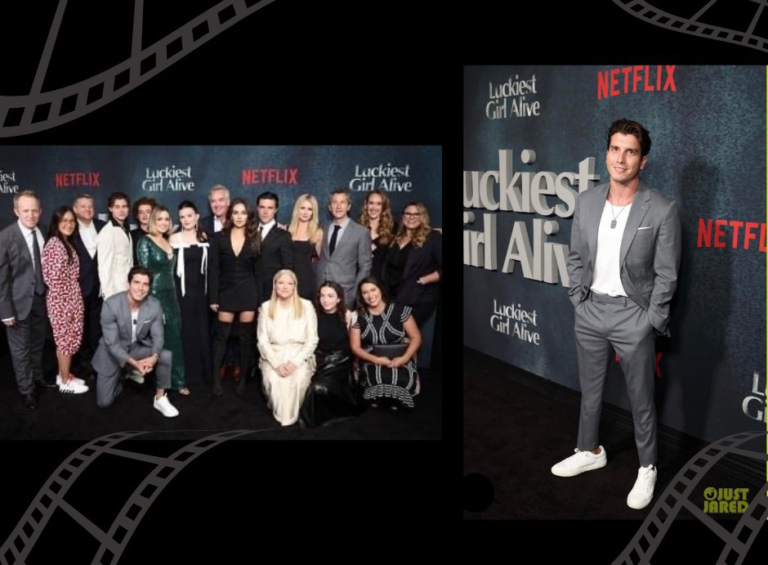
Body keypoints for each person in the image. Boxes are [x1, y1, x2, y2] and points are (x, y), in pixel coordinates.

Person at [552, 119, 681, 511]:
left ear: (643, 159)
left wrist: (650, 320)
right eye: (614, 149)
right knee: (589, 394)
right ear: (605, 152)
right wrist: (578, 299)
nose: (620, 158)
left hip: (633, 316)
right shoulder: (587, 201)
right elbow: (575, 257)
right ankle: (589, 450)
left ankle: (647, 467)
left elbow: (667, 274)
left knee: (641, 400)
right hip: (590, 310)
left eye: (630, 151)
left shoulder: (662, 208)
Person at [92, 266, 179, 417]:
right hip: (111, 355)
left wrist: (153, 358)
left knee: (165, 355)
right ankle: (124, 374)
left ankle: (160, 398)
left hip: (135, 348)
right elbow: (112, 344)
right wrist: (136, 364)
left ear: (149, 287)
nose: (140, 288)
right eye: (136, 282)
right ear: (128, 284)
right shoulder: (111, 305)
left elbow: (158, 336)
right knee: (104, 403)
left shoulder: (154, 305)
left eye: (145, 284)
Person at [0, 191, 55, 410]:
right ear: (16, 211)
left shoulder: (41, 232)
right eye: (25, 211)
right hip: (17, 305)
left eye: (34, 210)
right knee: (19, 350)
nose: (30, 215)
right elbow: (1, 279)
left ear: (40, 212)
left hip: (40, 299)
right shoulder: (5, 237)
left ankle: (37, 377)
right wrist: (5, 311)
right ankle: (27, 390)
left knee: (37, 343)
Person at [209, 198, 260, 396]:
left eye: (243, 212)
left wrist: (259, 300)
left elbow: (258, 271)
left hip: (248, 291)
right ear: (231, 215)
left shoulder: (255, 237)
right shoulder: (220, 237)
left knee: (246, 338)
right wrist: (214, 297)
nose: (239, 216)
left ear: (248, 216)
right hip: (226, 291)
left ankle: (242, 380)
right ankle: (216, 380)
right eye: (236, 212)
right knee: (221, 337)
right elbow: (214, 269)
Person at [257, 269, 318, 426]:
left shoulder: (306, 306)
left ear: (295, 286)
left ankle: (290, 417)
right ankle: (281, 414)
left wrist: (295, 363)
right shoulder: (266, 307)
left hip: (299, 354)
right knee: (274, 380)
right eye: (281, 283)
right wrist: (276, 364)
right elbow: (262, 340)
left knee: (297, 380)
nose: (285, 287)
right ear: (275, 285)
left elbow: (312, 339)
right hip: (274, 353)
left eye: (289, 283)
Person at [350, 276, 421, 411]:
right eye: (365, 292)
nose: (370, 295)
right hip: (371, 358)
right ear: (361, 296)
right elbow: (355, 347)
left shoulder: (401, 310)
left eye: (373, 290)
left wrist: (404, 359)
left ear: (380, 290)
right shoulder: (357, 315)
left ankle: (396, 398)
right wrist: (376, 359)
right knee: (376, 379)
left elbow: (416, 337)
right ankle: (380, 398)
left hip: (401, 357)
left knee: (399, 380)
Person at [137, 206, 187, 395]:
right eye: (160, 219)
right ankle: (161, 385)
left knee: (174, 336)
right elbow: (143, 273)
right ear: (153, 221)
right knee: (160, 340)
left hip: (171, 295)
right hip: (155, 296)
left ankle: (178, 381)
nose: (164, 222)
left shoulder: (168, 241)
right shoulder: (145, 241)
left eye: (167, 219)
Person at [299, 281, 360, 427]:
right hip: (319, 359)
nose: (325, 300)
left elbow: (354, 344)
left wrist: (356, 366)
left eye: (330, 296)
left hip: (340, 361)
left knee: (318, 388)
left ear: (339, 298)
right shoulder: (313, 315)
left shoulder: (348, 315)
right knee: (314, 386)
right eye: (322, 296)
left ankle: (309, 423)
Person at [42, 206, 88, 394]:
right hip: (62, 302)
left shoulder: (66, 242)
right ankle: (63, 382)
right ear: (56, 223)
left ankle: (65, 374)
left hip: (72, 299)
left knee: (69, 341)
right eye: (64, 221)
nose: (68, 224)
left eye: (71, 221)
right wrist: (67, 307)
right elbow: (53, 280)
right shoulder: (54, 244)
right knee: (64, 343)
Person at [169, 201, 211, 388]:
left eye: (189, 215)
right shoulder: (173, 238)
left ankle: (203, 375)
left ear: (197, 217)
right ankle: (184, 377)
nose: (186, 219)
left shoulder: (205, 237)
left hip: (202, 295)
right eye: (182, 216)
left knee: (202, 332)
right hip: (181, 295)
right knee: (184, 333)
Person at [382, 201, 442, 328]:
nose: (411, 217)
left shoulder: (432, 237)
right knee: (394, 336)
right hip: (393, 296)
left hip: (419, 297)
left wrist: (425, 279)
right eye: (408, 213)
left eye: (416, 214)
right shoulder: (396, 238)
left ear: (423, 217)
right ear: (402, 216)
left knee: (407, 335)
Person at [316, 188, 372, 308]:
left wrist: (355, 292)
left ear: (349, 206)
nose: (338, 206)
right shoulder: (323, 228)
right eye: (335, 202)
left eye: (343, 202)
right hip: (321, 292)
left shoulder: (361, 232)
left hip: (345, 292)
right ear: (330, 207)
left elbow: (365, 266)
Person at [70, 194, 106, 373]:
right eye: (83, 206)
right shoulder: (69, 228)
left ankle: (98, 360)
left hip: (100, 286)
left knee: (97, 325)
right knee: (80, 326)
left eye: (90, 206)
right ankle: (83, 362)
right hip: (78, 286)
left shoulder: (103, 226)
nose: (88, 209)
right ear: (75, 209)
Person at [254, 191, 294, 306]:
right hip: (249, 290)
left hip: (272, 292)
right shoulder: (249, 231)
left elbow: (288, 267)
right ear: (257, 208)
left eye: (270, 208)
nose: (265, 212)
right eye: (262, 207)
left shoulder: (283, 235)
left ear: (275, 210)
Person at [97, 192, 133, 299]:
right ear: (110, 209)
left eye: (124, 206)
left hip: (128, 287)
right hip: (114, 289)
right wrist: (108, 296)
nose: (121, 210)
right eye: (117, 207)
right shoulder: (107, 232)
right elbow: (104, 267)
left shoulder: (125, 229)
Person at [287, 193, 323, 300]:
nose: (305, 212)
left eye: (309, 209)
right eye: (302, 208)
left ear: (313, 212)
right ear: (297, 209)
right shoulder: (286, 230)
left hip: (306, 280)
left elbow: (321, 261)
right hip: (287, 279)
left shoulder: (317, 233)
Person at [358, 189, 396, 283]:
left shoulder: (394, 229)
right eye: (371, 203)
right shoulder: (356, 227)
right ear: (366, 205)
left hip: (383, 283)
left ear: (384, 207)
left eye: (379, 204)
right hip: (360, 282)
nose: (374, 207)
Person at [130, 197, 157, 265]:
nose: (144, 215)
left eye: (148, 212)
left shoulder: (161, 235)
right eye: (141, 212)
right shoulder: (131, 235)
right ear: (137, 215)